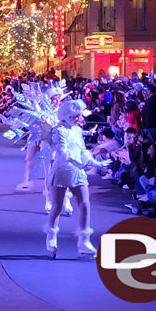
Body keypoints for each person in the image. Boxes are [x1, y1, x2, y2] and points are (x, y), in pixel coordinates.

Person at [45, 99, 111, 257]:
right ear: (67, 115)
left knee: (85, 204)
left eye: (79, 116)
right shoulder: (59, 130)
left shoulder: (76, 130)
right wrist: (79, 164)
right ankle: (51, 237)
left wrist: (95, 163)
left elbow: (82, 150)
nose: (78, 119)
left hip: (77, 171)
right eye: (75, 116)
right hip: (62, 170)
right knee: (57, 206)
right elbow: (63, 152)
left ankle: (84, 241)